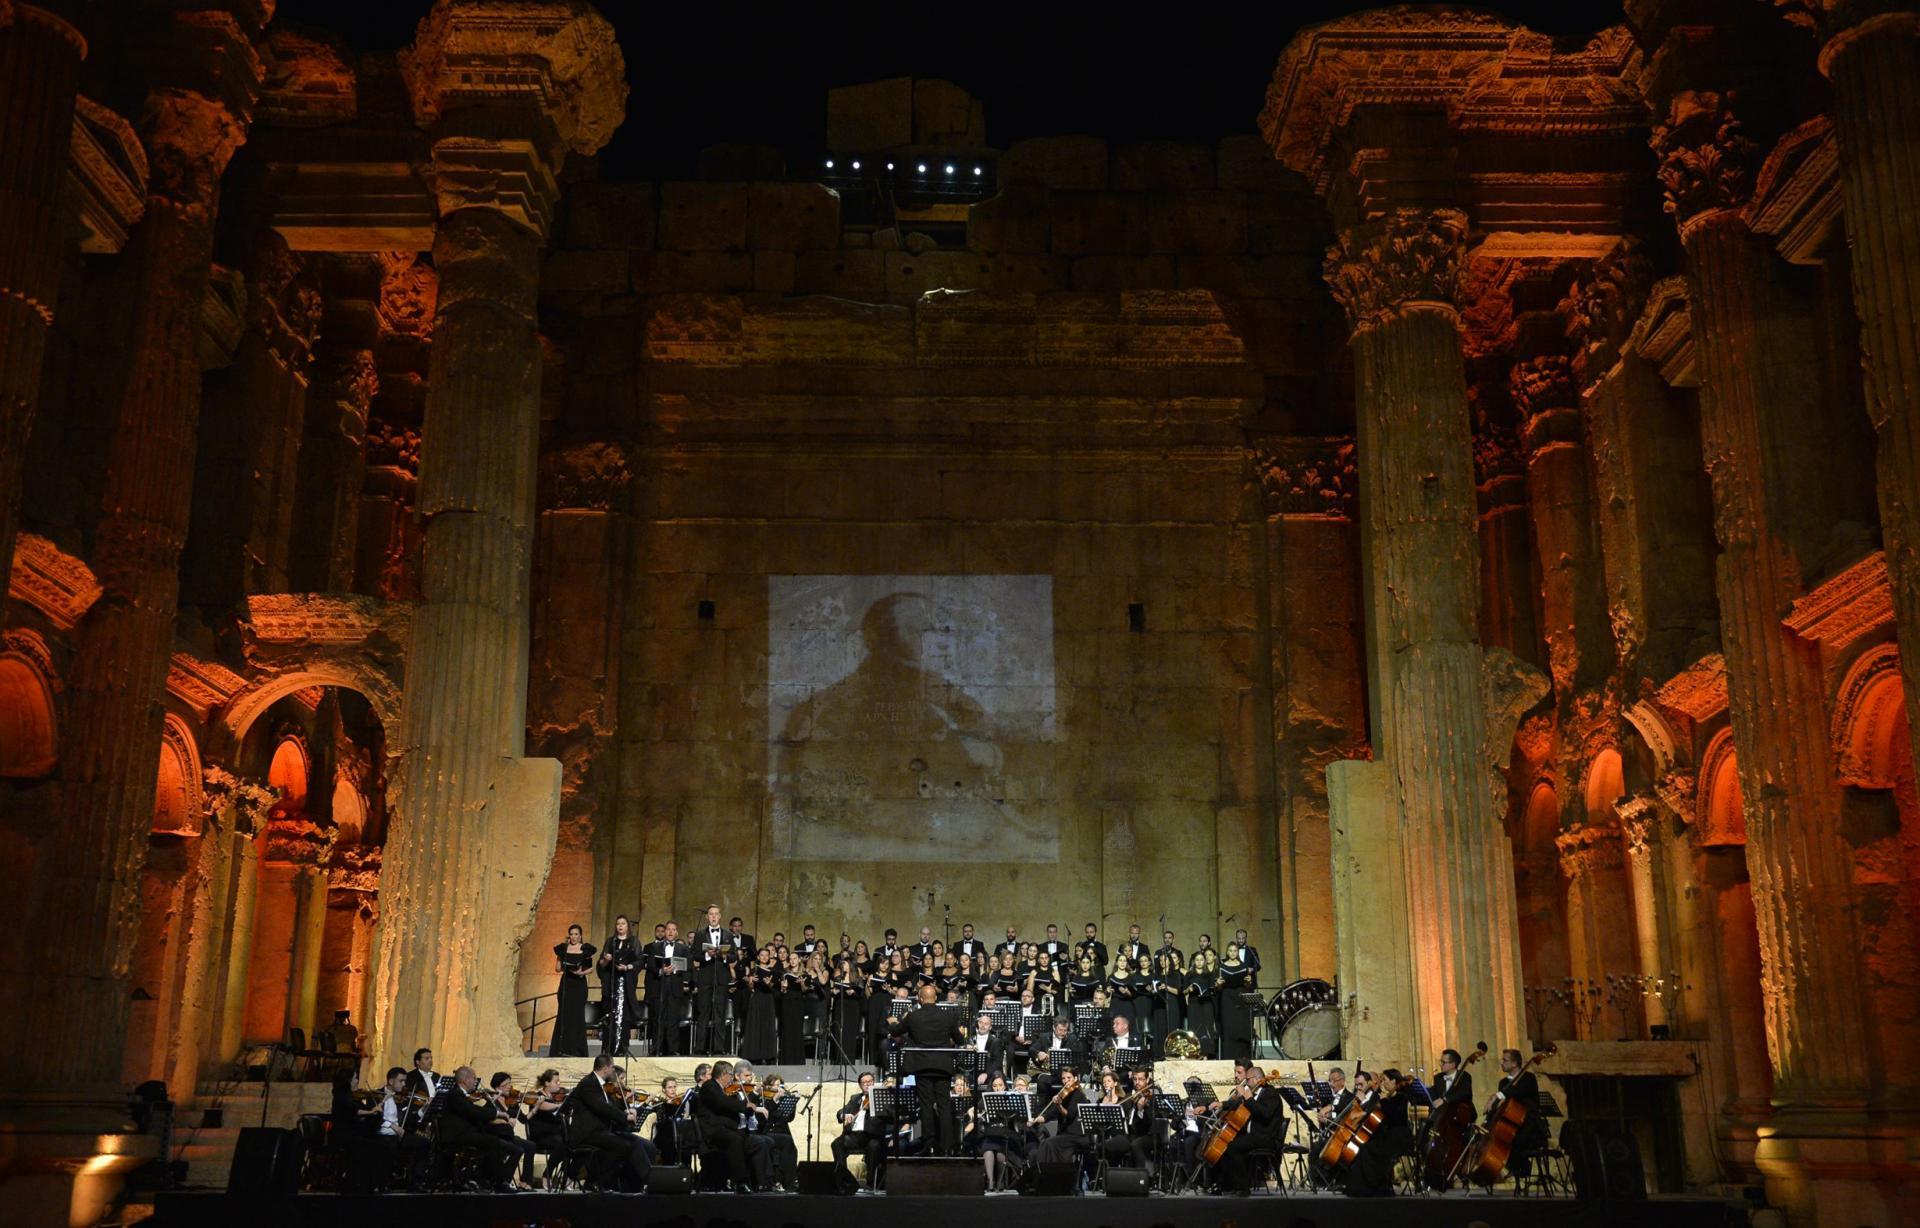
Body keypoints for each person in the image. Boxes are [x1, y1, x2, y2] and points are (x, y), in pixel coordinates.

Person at [888, 982, 965, 1154]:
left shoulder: (914, 1016)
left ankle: (929, 1143)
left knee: (926, 1105)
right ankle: (947, 1146)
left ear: (920, 999)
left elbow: (896, 1031)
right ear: (936, 998)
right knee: (944, 1106)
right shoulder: (948, 1016)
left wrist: (892, 1021)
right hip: (943, 1066)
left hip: (922, 1066)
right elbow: (960, 1040)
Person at [569, 1053, 654, 1190]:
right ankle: (597, 1181)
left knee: (629, 1144)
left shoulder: (600, 1085)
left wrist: (626, 1111)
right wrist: (624, 1117)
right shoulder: (588, 1083)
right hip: (587, 1133)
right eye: (612, 1067)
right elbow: (602, 1108)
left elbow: (609, 1106)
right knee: (623, 1145)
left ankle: (638, 1183)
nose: (613, 1071)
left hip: (599, 1131)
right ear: (606, 1068)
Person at [436, 1067, 520, 1193]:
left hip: (466, 1134)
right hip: (457, 1136)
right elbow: (472, 1111)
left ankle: (489, 1179)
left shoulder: (462, 1095)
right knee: (492, 1142)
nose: (476, 1081)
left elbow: (473, 1113)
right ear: (465, 1079)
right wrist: (497, 1113)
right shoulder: (455, 1094)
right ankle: (487, 1180)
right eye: (474, 1078)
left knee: (495, 1142)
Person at [349, 1065, 430, 1192]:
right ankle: (384, 1182)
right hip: (382, 1134)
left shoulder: (402, 1099)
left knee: (424, 1143)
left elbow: (409, 1120)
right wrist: (392, 1126)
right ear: (391, 1081)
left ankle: (415, 1183)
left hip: (398, 1134)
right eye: (401, 1081)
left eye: (405, 1081)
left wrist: (422, 1110)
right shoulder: (375, 1095)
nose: (403, 1084)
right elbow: (375, 1116)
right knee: (387, 1146)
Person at [693, 1060, 771, 1191]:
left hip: (725, 1129)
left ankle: (762, 1183)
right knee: (735, 1139)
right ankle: (740, 1182)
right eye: (730, 1075)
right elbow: (721, 1103)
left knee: (757, 1142)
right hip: (713, 1131)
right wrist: (744, 1106)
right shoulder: (709, 1086)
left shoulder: (720, 1088)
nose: (731, 1078)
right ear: (723, 1074)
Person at [1212, 1064, 1283, 1196]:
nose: (1246, 1083)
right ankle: (1227, 1185)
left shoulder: (1271, 1094)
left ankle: (1243, 1188)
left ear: (1256, 1079)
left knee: (1234, 1147)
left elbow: (1264, 1115)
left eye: (1248, 1079)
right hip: (1254, 1136)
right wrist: (1222, 1104)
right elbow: (1236, 1104)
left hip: (1266, 1137)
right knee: (1226, 1143)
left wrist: (1249, 1098)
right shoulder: (1254, 1093)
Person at [1345, 1068, 1412, 1197]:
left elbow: (1392, 1117)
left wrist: (1381, 1101)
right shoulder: (1388, 1098)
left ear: (1393, 1081)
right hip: (1388, 1135)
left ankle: (1377, 1185)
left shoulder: (1401, 1097)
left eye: (1385, 1080)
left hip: (1398, 1136)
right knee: (1365, 1146)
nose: (1383, 1083)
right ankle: (1364, 1186)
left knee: (1368, 1148)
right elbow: (1376, 1113)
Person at [1490, 1048, 1548, 1177]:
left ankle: (1521, 1169)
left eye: (1505, 1060)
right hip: (1513, 1123)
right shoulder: (1503, 1083)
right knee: (1502, 1137)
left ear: (1515, 1063)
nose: (1501, 1062)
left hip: (1530, 1126)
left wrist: (1498, 1095)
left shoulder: (1528, 1078)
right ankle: (1510, 1169)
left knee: (1514, 1140)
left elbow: (1517, 1092)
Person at [833, 1070, 889, 1192]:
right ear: (860, 1085)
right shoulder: (855, 1099)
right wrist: (844, 1116)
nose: (868, 1084)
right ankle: (843, 1180)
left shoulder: (881, 1098)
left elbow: (888, 1117)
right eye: (864, 1083)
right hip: (854, 1136)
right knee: (837, 1144)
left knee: (874, 1146)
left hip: (871, 1136)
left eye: (870, 1081)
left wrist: (874, 1103)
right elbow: (840, 1112)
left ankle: (870, 1183)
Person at [598, 916, 642, 1056]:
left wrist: (628, 967)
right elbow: (601, 964)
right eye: (618, 924)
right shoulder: (610, 941)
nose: (620, 926)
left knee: (624, 1016)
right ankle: (608, 1048)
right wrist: (605, 959)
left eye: (623, 923)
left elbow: (640, 962)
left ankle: (622, 1048)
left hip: (626, 982)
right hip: (612, 982)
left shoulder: (634, 941)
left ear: (627, 926)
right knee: (610, 1015)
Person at [1030, 1069, 1091, 1168]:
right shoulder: (1062, 1095)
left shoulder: (1078, 1095)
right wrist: (1036, 1119)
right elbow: (1049, 1115)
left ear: (1075, 1079)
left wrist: (1059, 1105)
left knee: (1050, 1143)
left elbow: (1069, 1115)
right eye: (1063, 1078)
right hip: (1065, 1134)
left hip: (1077, 1135)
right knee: (1046, 1143)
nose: (1066, 1081)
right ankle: (1046, 1172)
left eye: (1069, 1078)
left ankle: (1054, 1172)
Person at [692, 904, 732, 1055]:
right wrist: (708, 955)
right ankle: (700, 1048)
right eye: (711, 914)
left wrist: (723, 955)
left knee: (719, 1014)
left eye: (716, 914)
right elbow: (695, 954)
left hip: (721, 979)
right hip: (705, 978)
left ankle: (718, 1048)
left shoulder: (727, 934)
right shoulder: (700, 934)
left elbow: (733, 955)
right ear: (707, 917)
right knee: (703, 1013)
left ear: (720, 916)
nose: (714, 916)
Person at [551, 924, 595, 1056]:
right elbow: (557, 968)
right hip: (566, 985)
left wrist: (581, 972)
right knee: (564, 1015)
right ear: (569, 935)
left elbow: (590, 969)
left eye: (576, 934)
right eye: (571, 934)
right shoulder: (563, 949)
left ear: (580, 935)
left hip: (579, 985)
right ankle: (561, 1049)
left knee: (577, 1017)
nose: (574, 937)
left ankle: (577, 1050)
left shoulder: (586, 949)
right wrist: (561, 960)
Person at [645, 921, 688, 1055]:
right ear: (665, 932)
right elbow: (651, 966)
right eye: (668, 929)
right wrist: (661, 970)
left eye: (673, 929)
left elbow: (689, 967)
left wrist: (676, 971)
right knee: (658, 1019)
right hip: (660, 986)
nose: (670, 932)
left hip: (675, 987)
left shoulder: (683, 949)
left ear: (676, 933)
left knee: (673, 1020)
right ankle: (656, 1049)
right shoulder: (655, 948)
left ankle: (672, 1049)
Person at [522, 1070, 569, 1188]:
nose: (559, 1083)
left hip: (555, 1136)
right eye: (556, 1081)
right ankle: (547, 1175)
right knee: (562, 1144)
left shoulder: (556, 1098)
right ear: (547, 1083)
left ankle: (566, 1176)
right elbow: (544, 1106)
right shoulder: (537, 1097)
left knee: (571, 1143)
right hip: (540, 1137)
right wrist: (560, 1105)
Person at [759, 1073, 800, 1191]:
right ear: (768, 1086)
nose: (778, 1088)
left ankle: (790, 1180)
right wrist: (775, 1099)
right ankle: (780, 1180)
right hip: (768, 1130)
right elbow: (767, 1116)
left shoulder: (783, 1097)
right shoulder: (765, 1098)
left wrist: (792, 1103)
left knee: (791, 1147)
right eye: (775, 1085)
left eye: (780, 1085)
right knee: (782, 1146)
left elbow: (788, 1118)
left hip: (782, 1130)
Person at [742, 947, 779, 1063]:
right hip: (756, 1000)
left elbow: (776, 989)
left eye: (766, 955)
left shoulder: (773, 972)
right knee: (755, 1026)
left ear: (769, 957)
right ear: (758, 957)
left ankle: (768, 1056)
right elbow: (751, 988)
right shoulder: (753, 970)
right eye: (761, 955)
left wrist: (770, 984)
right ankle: (755, 1056)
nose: (764, 957)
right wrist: (750, 982)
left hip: (768, 1000)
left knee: (767, 1027)